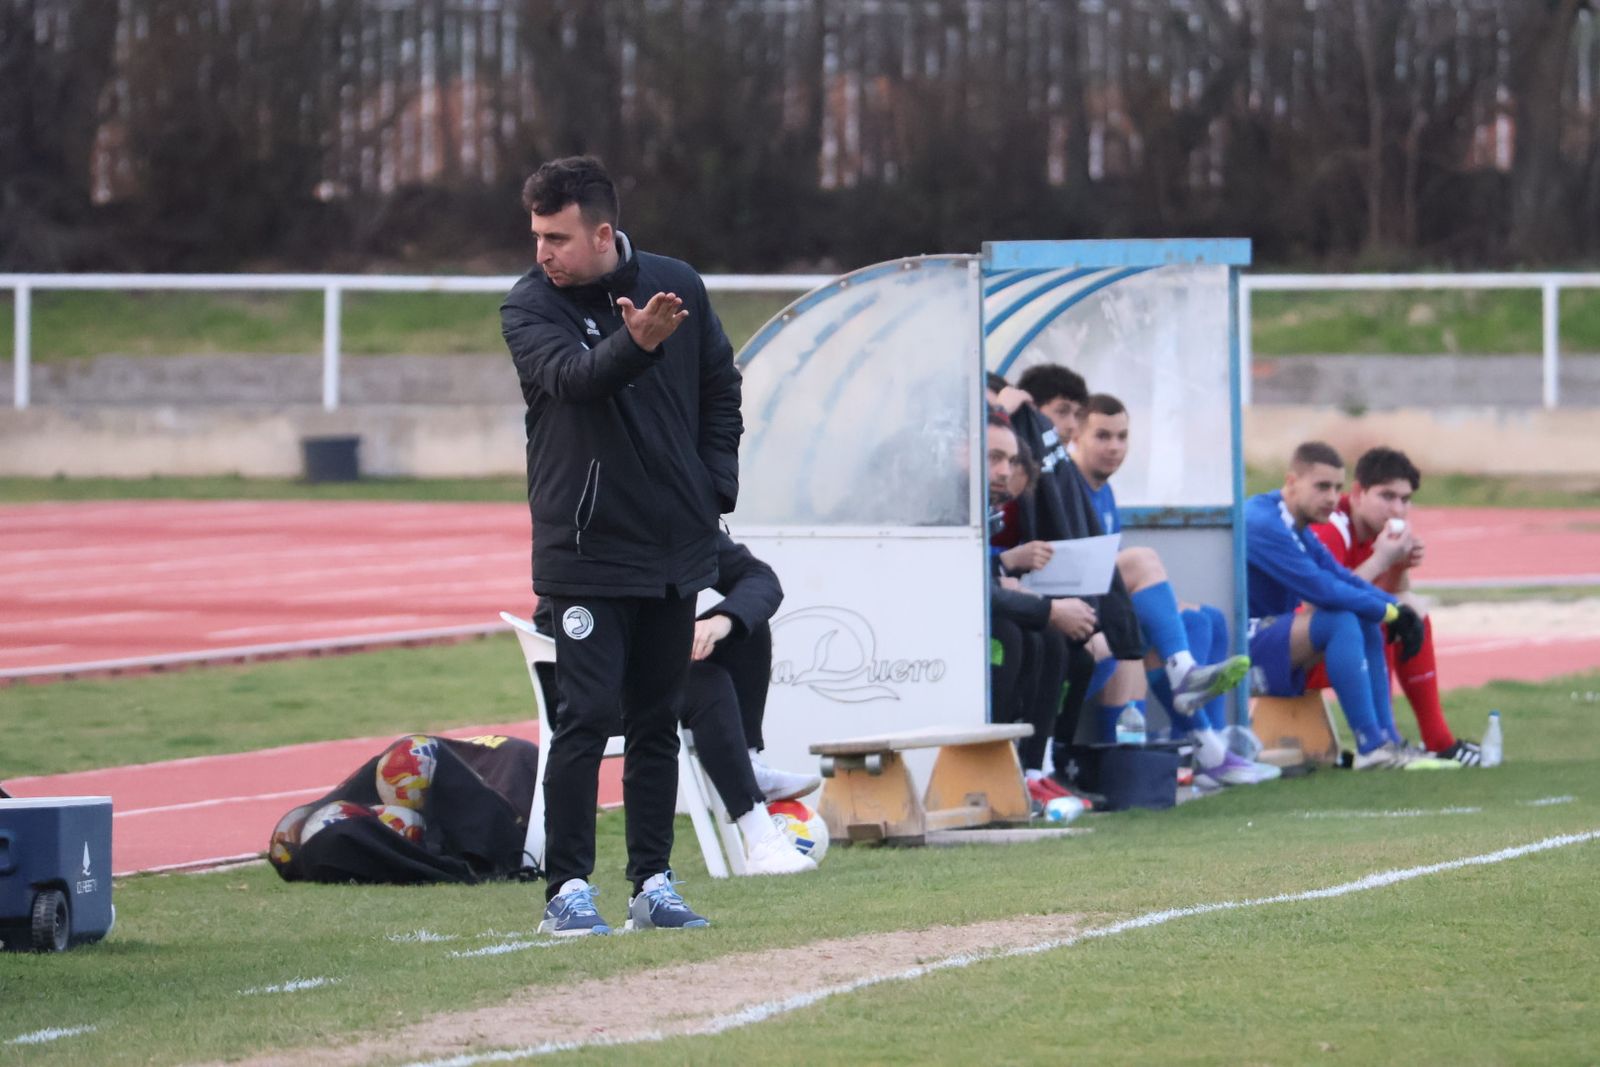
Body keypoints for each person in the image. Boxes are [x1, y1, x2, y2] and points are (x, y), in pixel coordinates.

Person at [502, 155, 743, 936]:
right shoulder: (529, 307)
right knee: (585, 717)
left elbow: (720, 387)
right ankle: (568, 889)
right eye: (537, 235)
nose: (542, 251)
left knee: (656, 720)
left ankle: (653, 884)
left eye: (558, 237)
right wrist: (634, 344)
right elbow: (575, 379)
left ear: (603, 234)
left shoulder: (678, 284)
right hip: (585, 552)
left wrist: (713, 484)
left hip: (673, 547)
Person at [1073, 393, 1272, 789]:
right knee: (1142, 567)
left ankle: (1205, 745)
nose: (1114, 447)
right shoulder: (1066, 486)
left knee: (1202, 618)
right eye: (1102, 436)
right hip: (1074, 619)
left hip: (1099, 608)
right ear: (1076, 437)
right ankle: (1191, 744)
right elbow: (1084, 571)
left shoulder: (1104, 492)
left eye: (1122, 437)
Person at [1244, 442, 1434, 770]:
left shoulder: (1294, 523)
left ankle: (1387, 741)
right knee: (1342, 619)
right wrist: (1390, 611)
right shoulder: (1263, 522)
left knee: (1363, 616)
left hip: (1270, 641)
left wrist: (1393, 607)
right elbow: (1322, 590)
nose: (1332, 498)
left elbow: (1338, 576)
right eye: (1322, 487)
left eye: (1336, 488)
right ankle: (1371, 747)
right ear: (1291, 482)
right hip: (1236, 651)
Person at [1308, 447, 1481, 765]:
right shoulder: (1333, 528)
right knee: (1379, 614)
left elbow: (1393, 593)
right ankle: (1383, 740)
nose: (1398, 509)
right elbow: (1324, 598)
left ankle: (1435, 739)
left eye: (1405, 499)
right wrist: (1381, 559)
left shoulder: (1376, 529)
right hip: (1302, 649)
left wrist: (1399, 566)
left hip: (1336, 641)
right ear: (1358, 493)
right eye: (1387, 496)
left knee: (1407, 608)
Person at [984, 414, 1099, 809]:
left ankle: (1036, 768)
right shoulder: (947, 503)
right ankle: (998, 768)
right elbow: (967, 582)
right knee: (1012, 635)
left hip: (999, 606)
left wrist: (1001, 569)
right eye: (994, 458)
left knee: (1057, 642)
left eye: (1010, 461)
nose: (1003, 472)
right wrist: (1005, 566)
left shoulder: (985, 505)